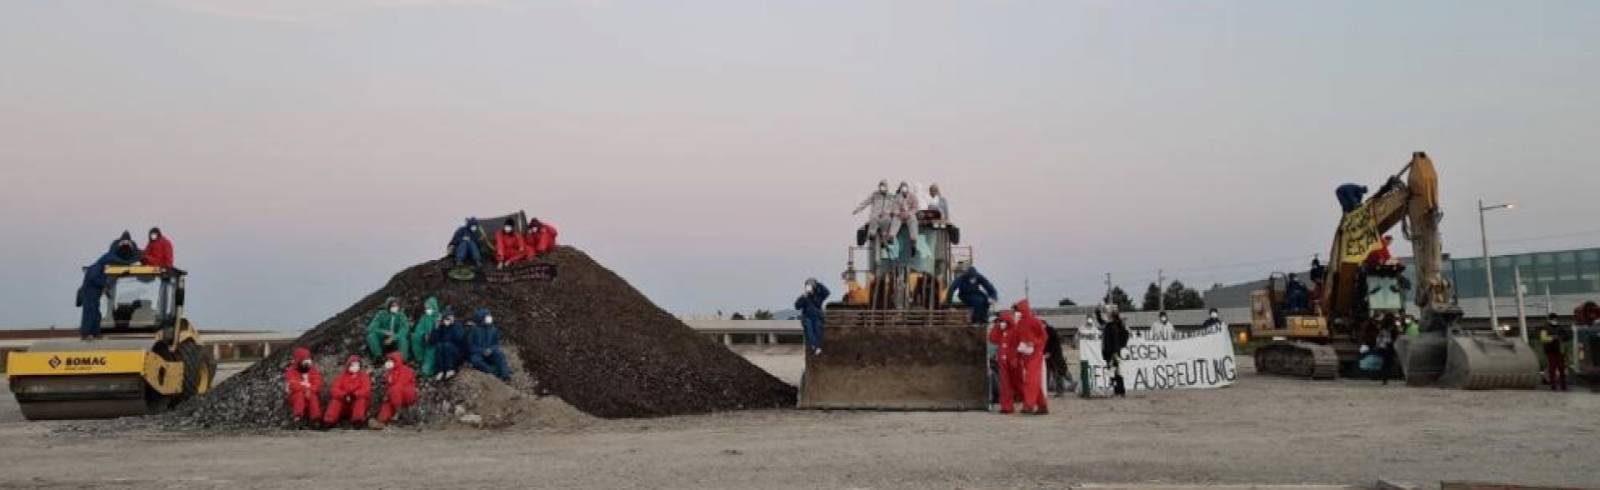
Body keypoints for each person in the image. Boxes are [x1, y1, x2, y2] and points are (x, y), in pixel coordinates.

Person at [75, 232, 143, 340]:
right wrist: (105, 285)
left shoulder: (111, 261)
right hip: (93, 289)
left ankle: (94, 333)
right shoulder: (104, 263)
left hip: (96, 287)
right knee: (91, 310)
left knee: (95, 312)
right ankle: (88, 333)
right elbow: (95, 277)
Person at [1012, 300, 1049, 414]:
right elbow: (1017, 339)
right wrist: (1017, 354)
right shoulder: (1019, 323)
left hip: (1035, 352)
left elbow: (1044, 337)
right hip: (1026, 353)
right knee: (1032, 379)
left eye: (1017, 310)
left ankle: (1029, 404)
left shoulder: (1034, 321)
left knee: (1030, 379)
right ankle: (1042, 406)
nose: (1016, 313)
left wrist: (1034, 343)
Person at [988, 311, 1023, 414]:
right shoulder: (1000, 331)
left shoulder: (1016, 330)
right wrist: (996, 327)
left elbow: (1019, 346)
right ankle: (1007, 407)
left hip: (1014, 361)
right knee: (1005, 385)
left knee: (1018, 383)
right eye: (1000, 321)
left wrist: (1016, 358)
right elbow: (992, 339)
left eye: (1003, 321)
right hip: (1003, 362)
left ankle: (1028, 401)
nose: (1001, 323)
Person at [323, 355, 372, 428]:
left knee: (361, 400)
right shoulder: (341, 377)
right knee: (335, 401)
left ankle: (357, 421)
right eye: (353, 365)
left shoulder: (364, 376)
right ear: (348, 366)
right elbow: (334, 389)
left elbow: (366, 389)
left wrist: (355, 394)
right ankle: (329, 421)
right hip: (344, 402)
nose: (355, 367)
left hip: (356, 402)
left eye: (357, 365)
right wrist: (344, 395)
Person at [374, 352, 418, 428]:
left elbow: (399, 384)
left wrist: (388, 394)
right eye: (388, 360)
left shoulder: (406, 370)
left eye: (391, 360)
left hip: (407, 395)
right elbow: (389, 386)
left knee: (394, 389)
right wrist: (387, 396)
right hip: (396, 396)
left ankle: (398, 412)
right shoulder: (390, 373)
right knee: (386, 404)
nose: (388, 362)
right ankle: (381, 421)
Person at [466, 308, 511, 381]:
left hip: (490, 352)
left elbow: (496, 344)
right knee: (475, 360)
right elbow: (470, 346)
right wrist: (482, 351)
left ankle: (505, 375)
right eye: (487, 317)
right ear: (481, 318)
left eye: (489, 316)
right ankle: (493, 372)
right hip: (478, 354)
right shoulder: (473, 330)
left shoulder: (493, 329)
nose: (490, 318)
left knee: (500, 354)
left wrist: (491, 349)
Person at [284, 347, 323, 429]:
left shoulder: (312, 370)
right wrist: (306, 389)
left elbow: (317, 383)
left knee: (313, 398)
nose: (308, 362)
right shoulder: (291, 371)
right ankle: (298, 418)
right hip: (295, 395)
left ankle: (315, 420)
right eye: (305, 360)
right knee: (299, 396)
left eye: (308, 359)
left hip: (310, 393)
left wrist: (310, 389)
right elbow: (293, 384)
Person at [365, 298, 410, 362]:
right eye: (392, 306)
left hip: (395, 340)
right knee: (371, 336)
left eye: (396, 306)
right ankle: (378, 356)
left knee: (403, 339)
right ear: (388, 306)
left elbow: (405, 329)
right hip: (383, 340)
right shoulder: (381, 314)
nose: (395, 307)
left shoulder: (401, 315)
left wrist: (393, 338)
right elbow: (371, 328)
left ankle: (402, 359)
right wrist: (384, 332)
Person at [1099, 308, 1130, 397]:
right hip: (1110, 353)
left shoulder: (1114, 326)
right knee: (1114, 373)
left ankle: (1120, 391)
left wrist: (1116, 352)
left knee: (1115, 372)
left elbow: (1119, 338)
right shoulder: (1110, 325)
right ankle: (1118, 391)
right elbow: (1101, 321)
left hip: (1113, 353)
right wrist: (1098, 312)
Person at [795, 278, 831, 355]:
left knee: (818, 331)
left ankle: (817, 347)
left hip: (817, 317)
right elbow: (797, 306)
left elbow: (827, 293)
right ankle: (814, 346)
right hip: (807, 317)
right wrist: (803, 297)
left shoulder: (818, 296)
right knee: (809, 330)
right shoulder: (804, 297)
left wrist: (818, 284)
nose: (809, 288)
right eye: (808, 286)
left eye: (811, 286)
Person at [408, 297, 441, 378]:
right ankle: (420, 359)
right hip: (425, 341)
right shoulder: (424, 317)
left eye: (429, 308)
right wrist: (424, 335)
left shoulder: (439, 318)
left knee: (426, 369)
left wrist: (432, 336)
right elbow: (418, 329)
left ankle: (428, 367)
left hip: (434, 344)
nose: (427, 310)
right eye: (426, 308)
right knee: (414, 336)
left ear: (434, 307)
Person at [886, 182, 921, 253]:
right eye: (902, 187)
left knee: (913, 220)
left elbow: (915, 207)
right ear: (900, 189)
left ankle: (913, 240)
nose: (904, 189)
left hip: (909, 215)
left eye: (905, 187)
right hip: (900, 215)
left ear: (908, 188)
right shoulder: (897, 197)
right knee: (895, 220)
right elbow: (894, 208)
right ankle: (891, 236)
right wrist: (899, 213)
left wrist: (909, 213)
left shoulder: (913, 196)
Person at [432, 308, 465, 380]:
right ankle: (440, 370)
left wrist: (453, 325)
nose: (447, 320)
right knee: (439, 346)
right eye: (446, 318)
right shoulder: (442, 327)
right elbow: (434, 340)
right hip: (444, 349)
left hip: (456, 351)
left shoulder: (458, 325)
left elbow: (459, 338)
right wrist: (436, 328)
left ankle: (450, 369)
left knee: (447, 346)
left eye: (449, 318)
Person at [1043, 320, 1072, 397]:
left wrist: (1049, 352)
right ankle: (1050, 390)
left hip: (1054, 356)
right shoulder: (1047, 332)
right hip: (1051, 356)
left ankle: (1059, 391)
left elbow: (1053, 343)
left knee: (1058, 373)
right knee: (1053, 373)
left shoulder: (1050, 331)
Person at [1542, 313, 1569, 392]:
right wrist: (1553, 337)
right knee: (1552, 369)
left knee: (1562, 369)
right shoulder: (1545, 328)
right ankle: (1553, 386)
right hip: (1550, 351)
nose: (1554, 321)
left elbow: (1567, 337)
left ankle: (1563, 386)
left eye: (1555, 319)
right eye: (1553, 319)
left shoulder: (1560, 328)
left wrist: (1561, 337)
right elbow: (1543, 338)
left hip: (1560, 351)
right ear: (1549, 320)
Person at [1374, 316, 1398, 385]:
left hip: (1383, 347)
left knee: (1385, 362)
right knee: (1388, 363)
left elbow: (1379, 338)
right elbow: (1392, 338)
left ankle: (1384, 377)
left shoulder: (1382, 329)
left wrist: (1377, 345)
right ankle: (1385, 377)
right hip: (1389, 346)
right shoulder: (1392, 329)